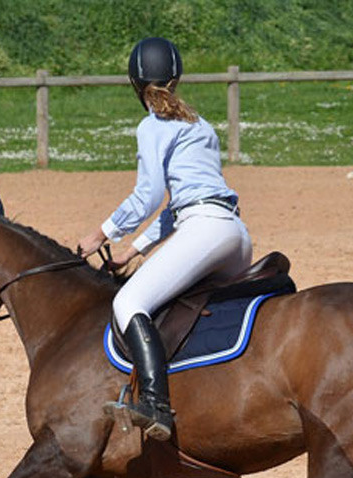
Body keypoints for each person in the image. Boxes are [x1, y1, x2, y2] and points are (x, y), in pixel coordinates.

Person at [77, 37, 253, 441]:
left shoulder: (153, 125)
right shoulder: (199, 124)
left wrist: (101, 233)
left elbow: (149, 197)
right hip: (234, 236)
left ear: (135, 84)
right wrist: (132, 251)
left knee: (129, 302)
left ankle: (155, 404)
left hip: (205, 230)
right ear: (176, 79)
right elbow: (177, 208)